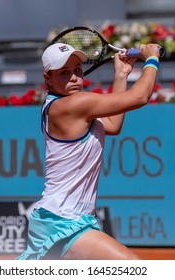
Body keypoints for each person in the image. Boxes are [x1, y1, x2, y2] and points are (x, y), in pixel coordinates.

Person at [17, 42, 161, 260]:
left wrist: (121, 75)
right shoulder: (73, 105)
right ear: (47, 77)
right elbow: (139, 97)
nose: (74, 77)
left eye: (77, 70)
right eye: (64, 73)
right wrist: (152, 59)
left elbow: (112, 125)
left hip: (65, 218)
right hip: (62, 219)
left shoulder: (66, 105)